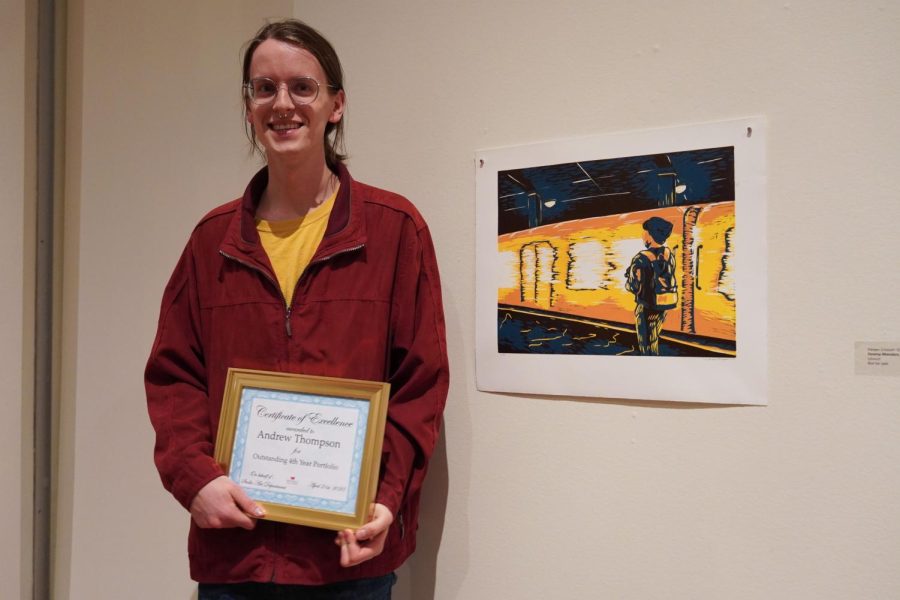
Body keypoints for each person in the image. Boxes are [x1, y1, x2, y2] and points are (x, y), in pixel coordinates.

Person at [145, 19, 449, 599]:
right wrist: (196, 480)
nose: (282, 103)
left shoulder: (393, 230)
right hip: (237, 557)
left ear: (336, 104)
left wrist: (387, 499)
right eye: (264, 88)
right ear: (249, 106)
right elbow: (174, 376)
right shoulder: (211, 241)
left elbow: (421, 384)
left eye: (302, 87)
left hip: (347, 560)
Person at [624, 216, 677, 356]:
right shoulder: (669, 255)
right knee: (653, 339)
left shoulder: (641, 258)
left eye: (645, 231)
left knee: (645, 344)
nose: (643, 235)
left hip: (646, 307)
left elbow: (633, 286)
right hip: (664, 304)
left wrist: (628, 282)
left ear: (650, 234)